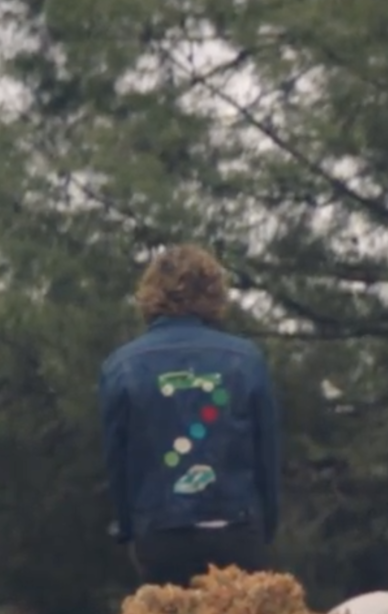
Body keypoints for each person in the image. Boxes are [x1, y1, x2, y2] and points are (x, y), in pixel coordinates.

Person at [98, 244, 282, 587]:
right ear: (214, 293)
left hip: (161, 533)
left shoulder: (121, 366)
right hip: (237, 530)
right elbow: (266, 456)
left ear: (150, 294)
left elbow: (118, 463)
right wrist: (264, 526)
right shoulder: (246, 360)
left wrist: (128, 530)